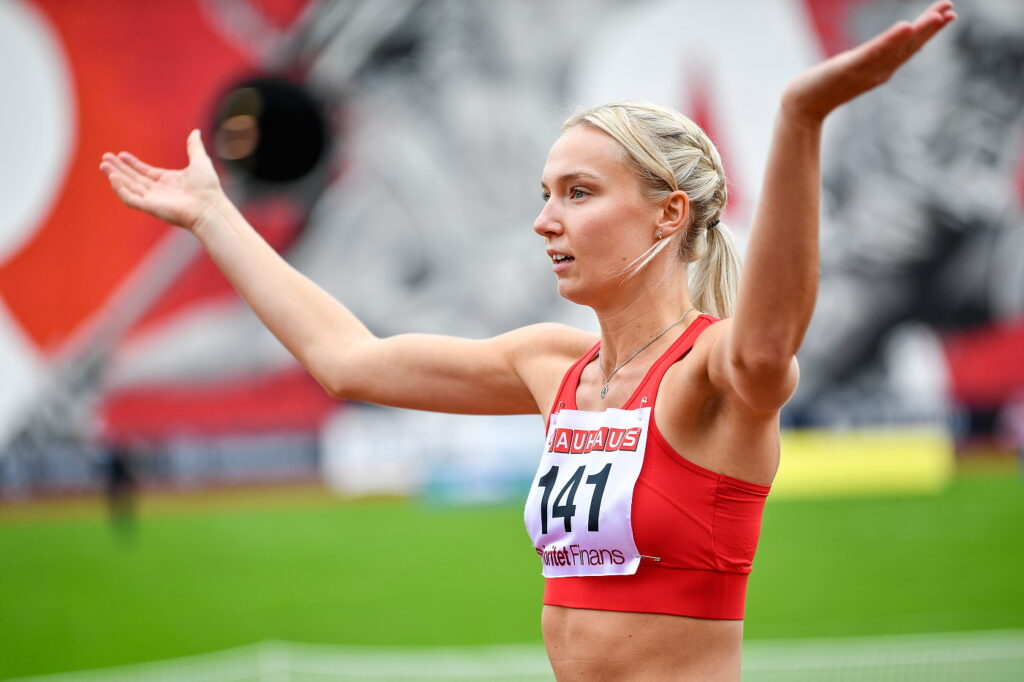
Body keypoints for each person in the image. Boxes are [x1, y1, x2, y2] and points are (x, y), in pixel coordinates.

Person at [99, 3, 955, 679]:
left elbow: (768, 345)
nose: (546, 221)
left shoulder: (711, 373)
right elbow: (346, 361)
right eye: (545, 194)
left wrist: (800, 120)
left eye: (578, 193)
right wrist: (213, 215)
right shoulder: (552, 365)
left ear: (669, 214)